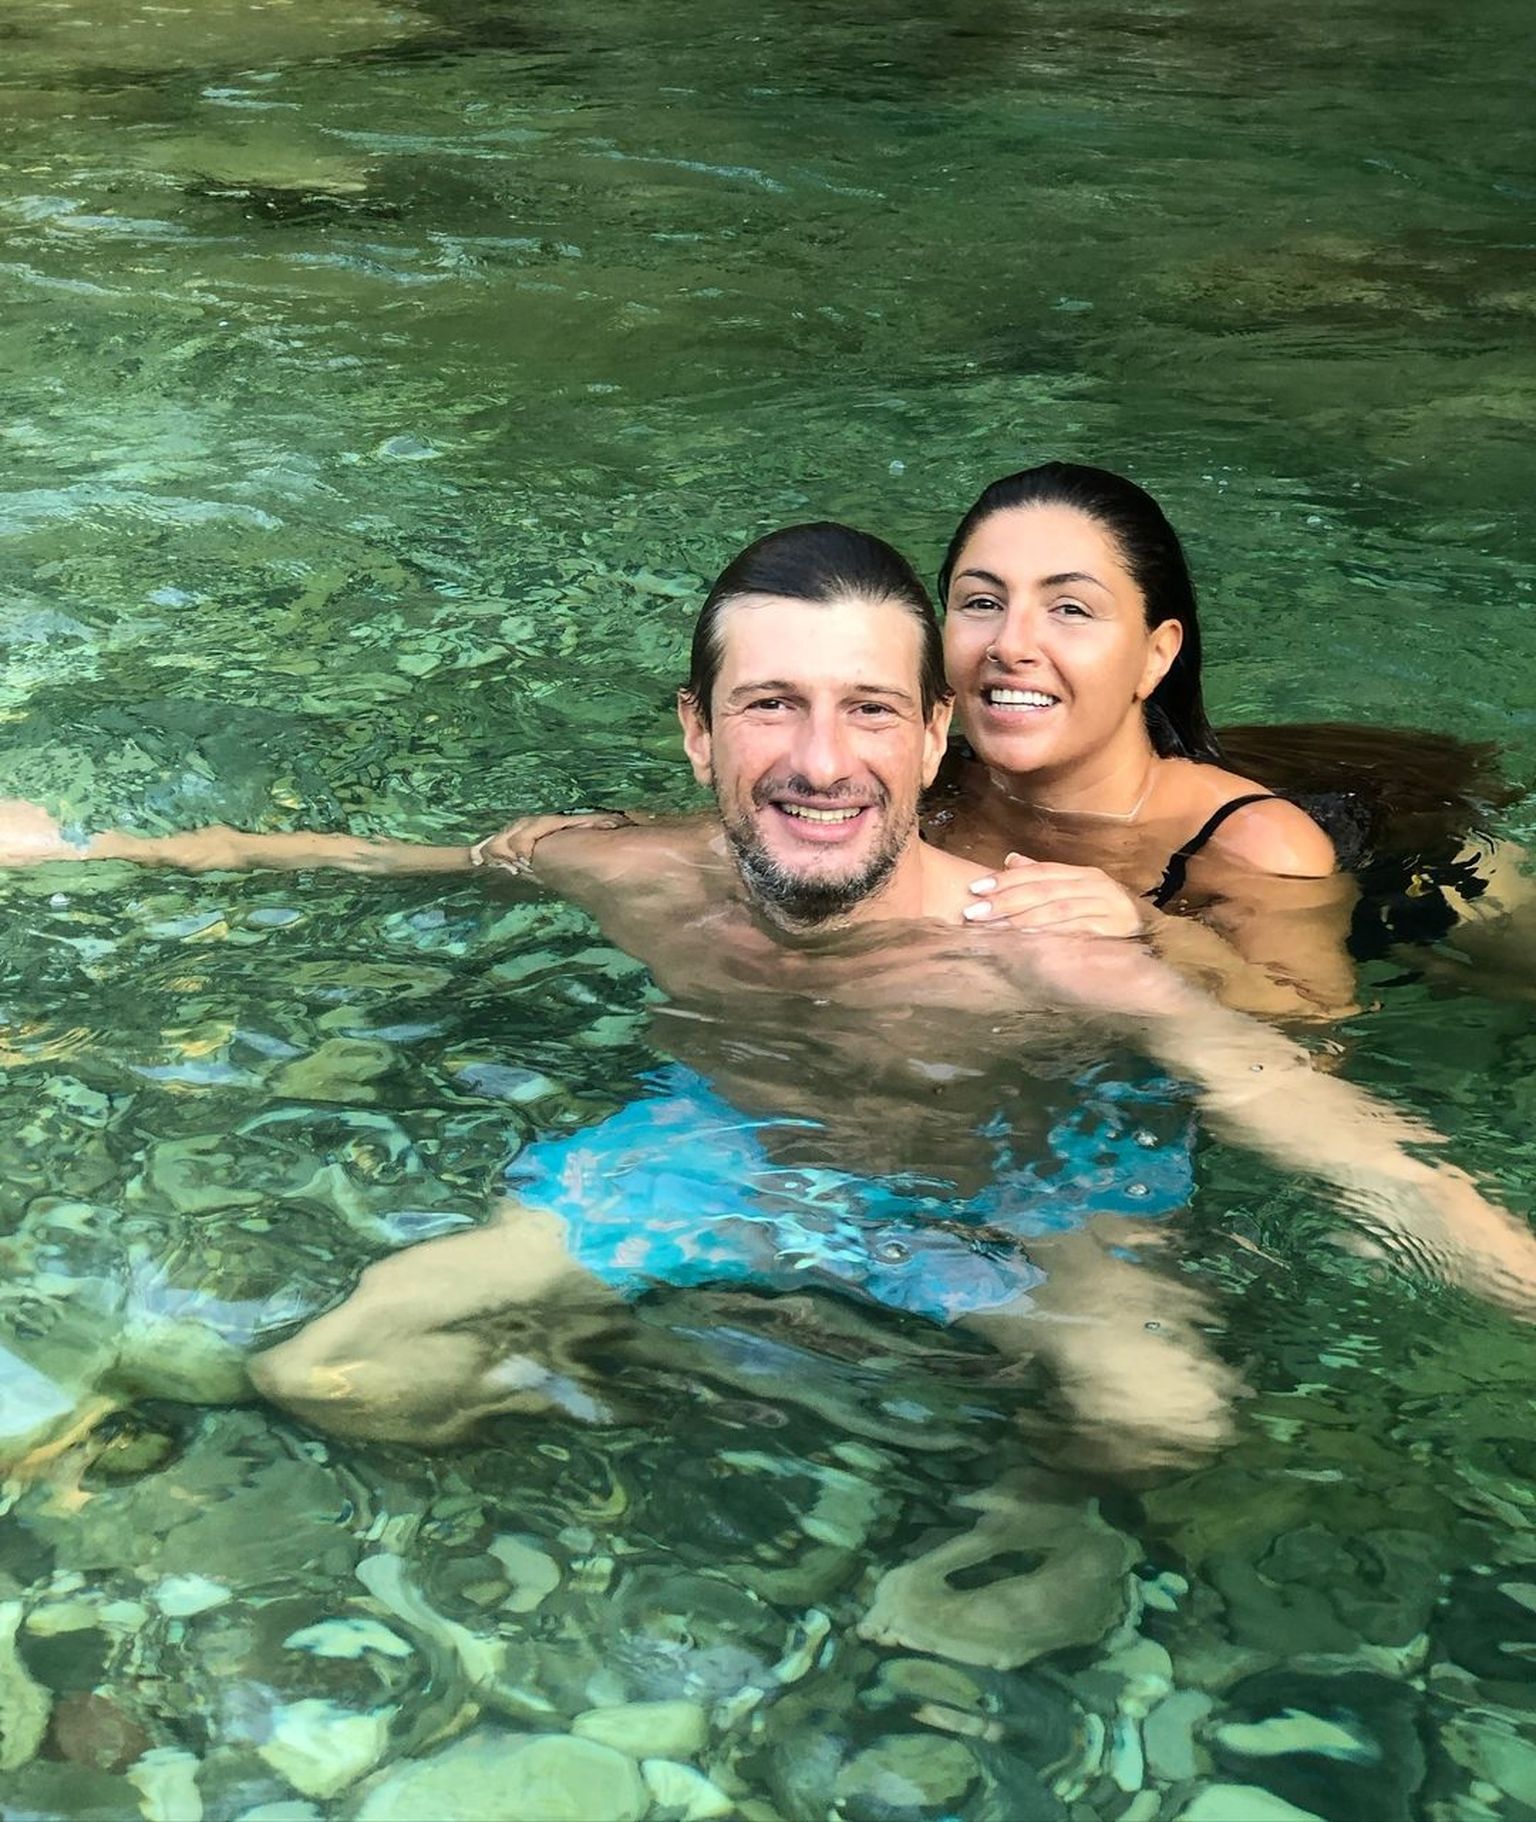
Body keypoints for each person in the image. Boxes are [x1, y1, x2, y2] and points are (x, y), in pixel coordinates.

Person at [6, 522, 1533, 1666]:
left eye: (868, 709)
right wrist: (75, 852)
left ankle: (1029, 1506)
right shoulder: (633, 871)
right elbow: (374, 860)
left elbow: (1316, 1124)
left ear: (932, 738)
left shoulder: (1038, 940)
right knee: (333, 1369)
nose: (819, 760)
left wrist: (1506, 1267)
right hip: (726, 1150)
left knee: (1163, 1416)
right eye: (770, 706)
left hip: (1017, 1186)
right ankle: (631, 1372)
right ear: (696, 729)